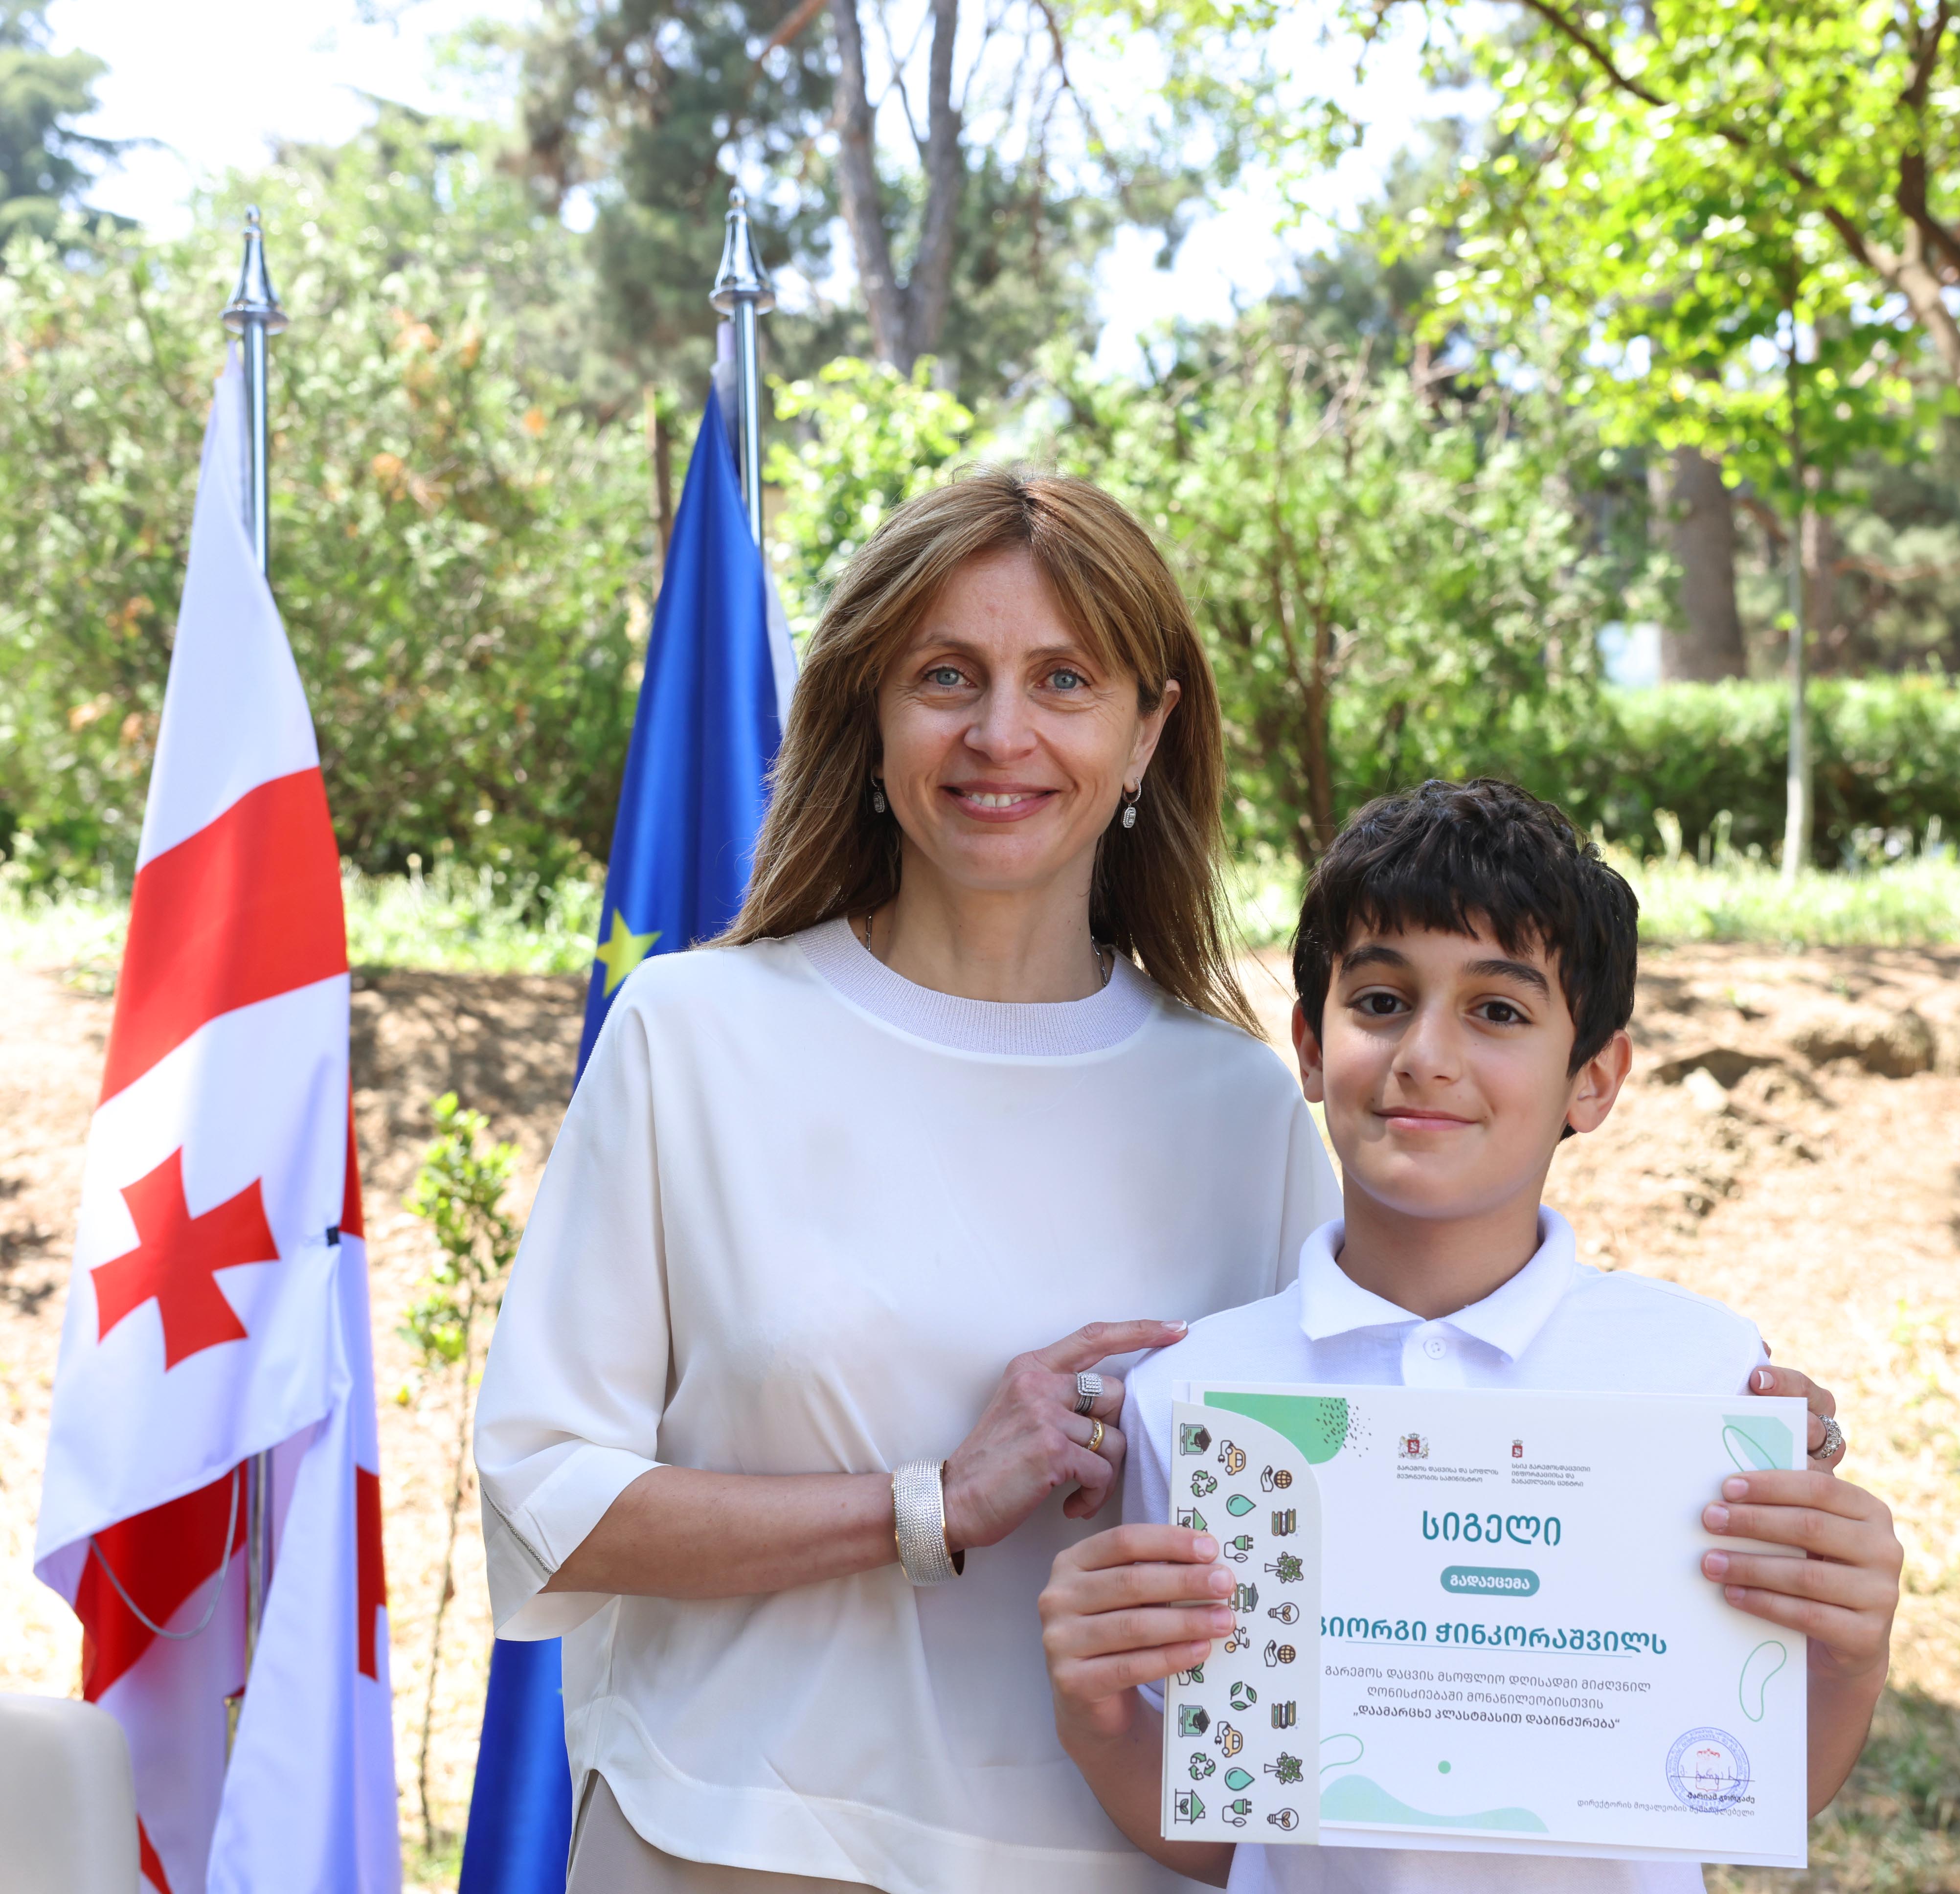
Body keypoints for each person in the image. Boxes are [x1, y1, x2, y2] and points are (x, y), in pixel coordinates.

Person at [476, 472, 1844, 1894]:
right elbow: (542, 1499)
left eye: (1064, 679)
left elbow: (1410, 1451)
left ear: (1147, 732)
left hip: (1130, 1861)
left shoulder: (1243, 1100)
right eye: (945, 675)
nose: (999, 733)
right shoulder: (695, 1037)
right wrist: (926, 1504)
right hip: (732, 1842)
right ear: (868, 714)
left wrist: (1709, 1433)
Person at [1039, 777, 1903, 1894]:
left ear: (1593, 1079)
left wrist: (1851, 1654)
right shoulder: (1200, 1398)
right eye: (1381, 1000)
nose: (1426, 1055)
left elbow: (1747, 1788)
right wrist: (1099, 1717)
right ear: (1311, 1046)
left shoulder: (1703, 1378)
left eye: (1498, 1011)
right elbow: (1225, 1829)